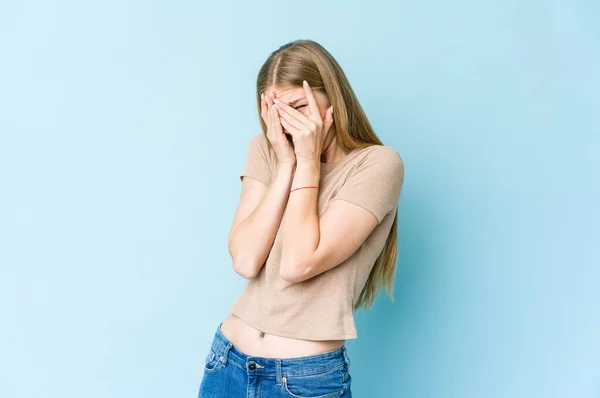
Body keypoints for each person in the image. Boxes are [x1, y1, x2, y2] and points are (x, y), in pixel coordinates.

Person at [198, 39, 404, 398]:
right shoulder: (266, 149)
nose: (289, 123)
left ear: (333, 100)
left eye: (298, 106)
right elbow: (245, 260)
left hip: (303, 379)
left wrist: (308, 162)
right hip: (227, 361)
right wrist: (287, 164)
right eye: (277, 111)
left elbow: (298, 263)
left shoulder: (377, 164)